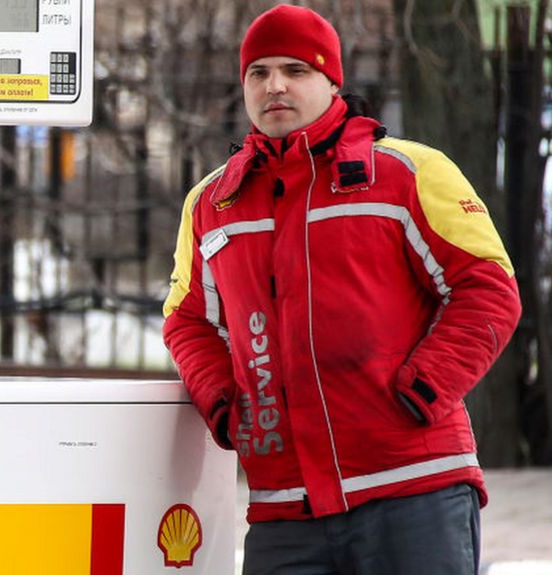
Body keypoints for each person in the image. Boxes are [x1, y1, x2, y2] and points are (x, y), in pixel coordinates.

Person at [162, 5, 521, 575]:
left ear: (332, 81)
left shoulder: (407, 172)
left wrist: (423, 389)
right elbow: (188, 320)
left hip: (414, 491)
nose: (274, 85)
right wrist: (227, 408)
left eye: (295, 70)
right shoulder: (212, 204)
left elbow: (488, 287)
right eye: (258, 72)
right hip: (285, 510)